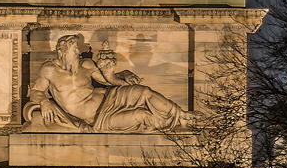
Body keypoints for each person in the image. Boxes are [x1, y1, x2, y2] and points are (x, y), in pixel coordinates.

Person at [23, 34, 187, 132]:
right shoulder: (49, 69)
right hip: (99, 118)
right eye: (74, 49)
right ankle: (173, 126)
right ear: (62, 51)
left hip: (110, 97)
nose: (78, 52)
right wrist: (44, 102)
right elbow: (36, 91)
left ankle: (182, 115)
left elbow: (108, 81)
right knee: (143, 115)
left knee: (144, 91)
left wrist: (115, 73)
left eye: (78, 48)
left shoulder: (86, 64)